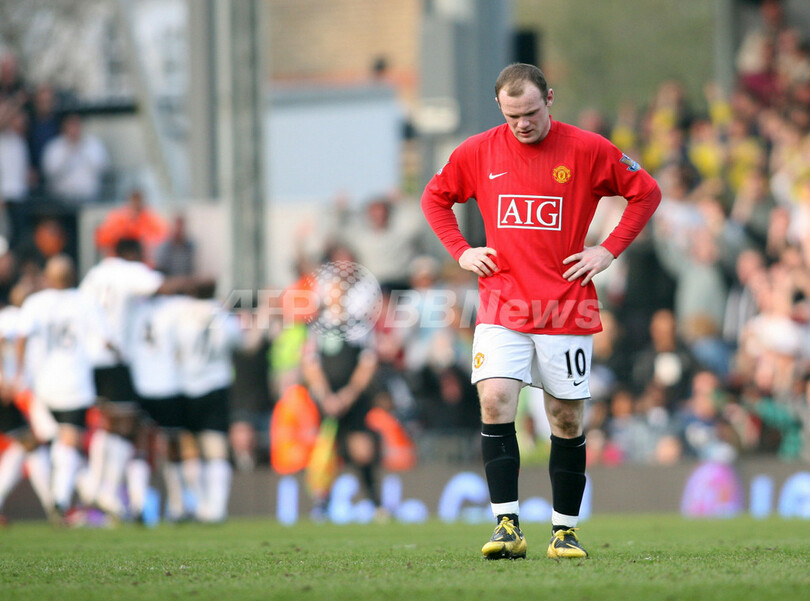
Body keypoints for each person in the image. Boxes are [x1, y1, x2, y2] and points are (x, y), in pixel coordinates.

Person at [421, 63, 661, 559]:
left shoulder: (589, 149)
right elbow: (434, 198)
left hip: (565, 305)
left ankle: (564, 530)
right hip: (502, 301)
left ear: (549, 98)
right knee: (494, 401)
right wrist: (462, 250)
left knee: (565, 418)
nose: (523, 124)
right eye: (512, 116)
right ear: (499, 109)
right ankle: (506, 526)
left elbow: (646, 192)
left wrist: (608, 250)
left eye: (531, 112)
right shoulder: (477, 150)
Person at [13, 255, 112, 520]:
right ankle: (60, 498)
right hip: (76, 383)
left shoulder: (36, 302)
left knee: (46, 442)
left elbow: (20, 339)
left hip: (43, 384)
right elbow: (104, 339)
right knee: (69, 440)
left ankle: (58, 501)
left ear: (48, 276)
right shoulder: (86, 301)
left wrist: (21, 372)